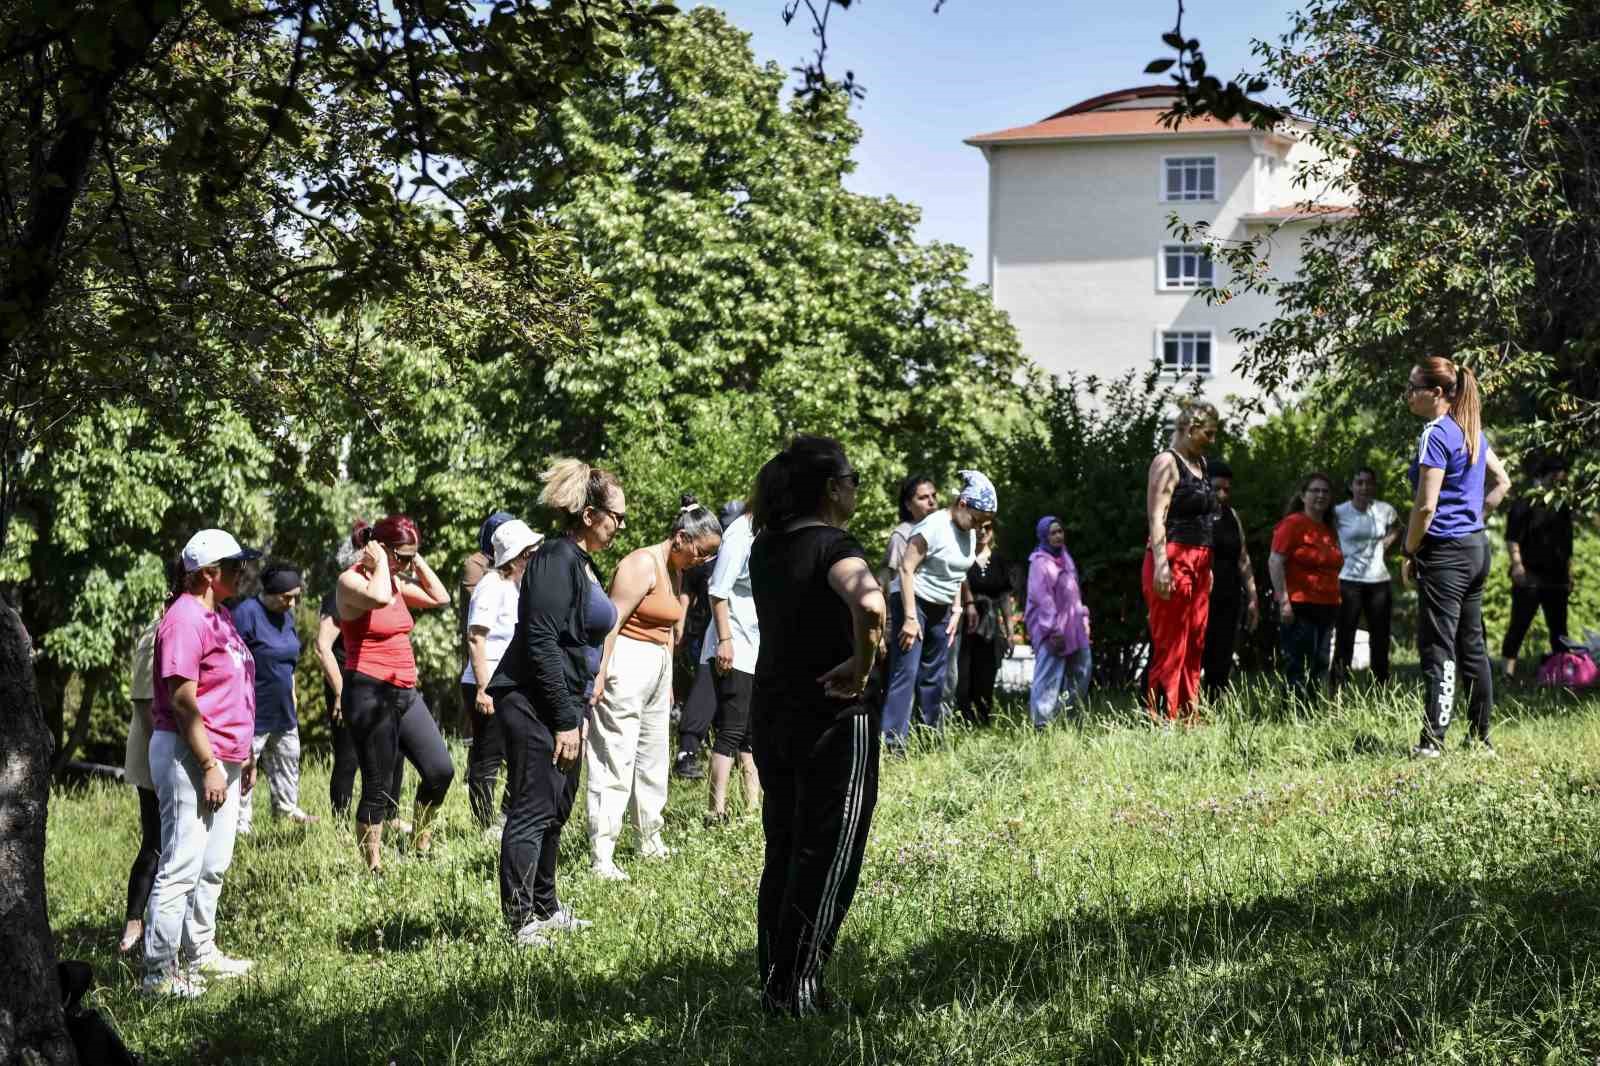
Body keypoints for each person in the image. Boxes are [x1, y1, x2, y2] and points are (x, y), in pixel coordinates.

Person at [747, 435, 886, 1016]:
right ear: (832, 488)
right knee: (828, 851)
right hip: (832, 716)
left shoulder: (765, 547)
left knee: (784, 846)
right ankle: (798, 991)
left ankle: (775, 981)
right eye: (852, 480)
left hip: (773, 709)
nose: (856, 489)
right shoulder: (834, 545)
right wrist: (864, 663)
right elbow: (872, 604)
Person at [486, 459, 623, 946]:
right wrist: (566, 717)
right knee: (532, 804)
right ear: (589, 514)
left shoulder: (581, 564)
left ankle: (546, 907)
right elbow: (542, 641)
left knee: (557, 805)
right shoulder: (554, 559)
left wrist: (578, 705)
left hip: (565, 700)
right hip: (530, 698)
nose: (619, 527)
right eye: (616, 517)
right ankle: (521, 920)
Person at [143, 529, 261, 998]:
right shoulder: (184, 619)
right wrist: (210, 762)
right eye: (234, 565)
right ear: (209, 574)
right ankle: (157, 973)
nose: (242, 571)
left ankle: (201, 952)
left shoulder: (221, 616)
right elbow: (184, 701)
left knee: (213, 864)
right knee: (181, 864)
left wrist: (242, 754)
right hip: (187, 754)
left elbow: (231, 691)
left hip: (224, 757)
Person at [587, 495, 723, 880]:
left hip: (656, 667)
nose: (703, 561)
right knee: (616, 755)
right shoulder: (641, 563)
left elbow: (666, 630)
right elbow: (610, 624)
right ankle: (603, 852)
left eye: (710, 556)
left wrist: (667, 684)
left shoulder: (674, 569)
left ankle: (649, 837)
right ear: (681, 537)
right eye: (702, 551)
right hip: (625, 663)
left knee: (653, 755)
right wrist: (598, 674)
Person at [1402, 357, 1510, 756]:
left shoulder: (1435, 433)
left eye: (1414, 387)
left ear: (1436, 393)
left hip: (1445, 554)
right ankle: (1481, 740)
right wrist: (1473, 518)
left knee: (1439, 648)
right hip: (1476, 549)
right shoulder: (1472, 432)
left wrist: (1409, 550)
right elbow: (1502, 481)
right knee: (1473, 646)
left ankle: (1432, 743)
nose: (1408, 395)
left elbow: (1425, 506)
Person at [336, 515, 455, 869]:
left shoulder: (397, 582)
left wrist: (414, 559)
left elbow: (441, 597)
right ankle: (372, 867)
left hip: (405, 691)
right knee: (379, 784)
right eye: (400, 556)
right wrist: (380, 563)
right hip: (369, 692)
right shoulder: (350, 582)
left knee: (440, 771)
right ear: (379, 549)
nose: (405, 564)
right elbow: (376, 598)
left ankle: (420, 844)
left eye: (410, 557)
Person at [882, 472, 993, 748]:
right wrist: (909, 618)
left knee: (936, 676)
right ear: (963, 504)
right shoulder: (933, 526)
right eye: (977, 519)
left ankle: (929, 739)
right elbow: (906, 569)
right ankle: (893, 744)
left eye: (984, 523)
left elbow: (955, 573)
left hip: (942, 607)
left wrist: (956, 609)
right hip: (912, 600)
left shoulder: (968, 531)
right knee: (906, 672)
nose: (979, 528)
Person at [462, 519, 543, 834]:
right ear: (518, 555)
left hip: (510, 683)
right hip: (486, 683)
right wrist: (484, 688)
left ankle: (508, 816)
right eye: (531, 552)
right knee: (488, 756)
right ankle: (484, 827)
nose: (535, 557)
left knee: (521, 751)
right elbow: (475, 637)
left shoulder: (517, 586)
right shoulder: (491, 585)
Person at [316, 533, 404, 822]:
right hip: (348, 682)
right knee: (348, 756)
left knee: (392, 751)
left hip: (377, 680)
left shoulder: (380, 588)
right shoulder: (341, 592)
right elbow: (323, 647)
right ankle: (340, 821)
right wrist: (340, 692)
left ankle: (389, 815)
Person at [1142, 399, 1219, 723]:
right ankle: (1162, 716)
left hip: (1200, 561)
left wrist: (1208, 567)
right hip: (1172, 557)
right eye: (1209, 433)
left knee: (1196, 640)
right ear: (1190, 429)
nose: (1213, 441)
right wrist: (1162, 564)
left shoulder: (1201, 462)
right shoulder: (1166, 462)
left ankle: (1189, 714)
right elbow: (1156, 516)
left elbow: (1205, 518)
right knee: (1171, 642)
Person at [688, 500, 763, 825]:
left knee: (748, 732)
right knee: (732, 731)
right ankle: (715, 812)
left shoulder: (759, 533)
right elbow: (717, 591)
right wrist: (726, 641)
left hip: (751, 644)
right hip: (735, 646)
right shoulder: (738, 534)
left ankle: (752, 807)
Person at [234, 561, 319, 833]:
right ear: (270, 593)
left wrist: (292, 695)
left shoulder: (287, 618)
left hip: (283, 710)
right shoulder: (247, 613)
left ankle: (285, 810)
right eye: (287, 597)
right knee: (245, 770)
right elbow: (230, 664)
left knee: (288, 760)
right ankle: (240, 826)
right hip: (252, 711)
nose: (292, 604)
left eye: (296, 597)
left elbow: (289, 663)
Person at [672, 500, 745, 780]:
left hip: (739, 636)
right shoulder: (706, 558)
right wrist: (680, 623)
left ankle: (728, 753)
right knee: (704, 689)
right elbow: (688, 589)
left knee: (727, 696)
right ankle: (687, 752)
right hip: (707, 633)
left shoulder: (738, 553)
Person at [1269, 474, 1344, 705]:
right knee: (1299, 663)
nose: (1321, 495)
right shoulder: (1293, 524)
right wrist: (1284, 602)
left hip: (1328, 605)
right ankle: (1292, 713)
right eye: (1315, 491)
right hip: (1300, 605)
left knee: (1321, 662)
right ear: (1303, 496)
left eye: (1325, 491)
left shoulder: (1328, 529)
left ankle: (1310, 711)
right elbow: (1275, 561)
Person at [1502, 455, 1575, 676]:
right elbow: (1512, 537)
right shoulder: (1525, 502)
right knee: (1519, 624)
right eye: (1557, 477)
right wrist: (1517, 565)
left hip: (1557, 576)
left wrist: (1569, 573)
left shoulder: (1562, 505)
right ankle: (1507, 673)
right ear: (1548, 475)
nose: (1560, 482)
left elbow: (1567, 543)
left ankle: (1563, 675)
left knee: (1559, 629)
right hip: (1530, 575)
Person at [117, 611, 162, 955]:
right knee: (155, 840)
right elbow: (145, 702)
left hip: (189, 748)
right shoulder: (155, 630)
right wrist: (162, 759)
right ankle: (135, 920)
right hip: (156, 751)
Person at [1332, 467, 1400, 686]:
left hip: (1379, 582)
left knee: (1380, 638)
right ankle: (1338, 687)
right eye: (1359, 483)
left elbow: (1398, 527)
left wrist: (1384, 545)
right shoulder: (1339, 512)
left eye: (1369, 483)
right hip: (1348, 580)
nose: (1364, 487)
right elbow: (1327, 534)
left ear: (1374, 486)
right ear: (1351, 486)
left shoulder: (1384, 510)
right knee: (1345, 636)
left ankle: (1381, 687)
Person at [1025, 517, 1092, 728]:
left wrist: (1084, 618)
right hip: (1052, 630)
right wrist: (1052, 629)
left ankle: (1070, 720)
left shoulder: (1066, 558)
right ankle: (1042, 726)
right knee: (1048, 678)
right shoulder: (1039, 562)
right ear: (1044, 536)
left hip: (1075, 627)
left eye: (1060, 532)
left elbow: (1074, 594)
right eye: (1053, 533)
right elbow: (1041, 598)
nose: (1058, 536)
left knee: (1082, 671)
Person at [1201, 461, 1258, 698]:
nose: (1222, 494)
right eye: (1216, 488)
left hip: (1230, 594)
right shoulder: (1194, 515)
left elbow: (1242, 556)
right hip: (1201, 596)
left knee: (1223, 652)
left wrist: (1253, 597)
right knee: (1199, 651)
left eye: (1227, 489)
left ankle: (1216, 704)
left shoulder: (1232, 515)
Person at [458, 510, 514, 735]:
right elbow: (481, 611)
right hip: (481, 646)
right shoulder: (477, 565)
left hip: (501, 651)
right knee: (479, 729)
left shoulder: (507, 568)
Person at [956, 519, 1013, 726]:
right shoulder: (962, 556)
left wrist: (1009, 631)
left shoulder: (999, 560)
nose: (982, 531)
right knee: (963, 674)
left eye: (987, 528)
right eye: (978, 527)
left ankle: (983, 720)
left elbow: (1005, 599)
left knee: (987, 673)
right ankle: (963, 719)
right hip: (964, 621)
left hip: (990, 625)